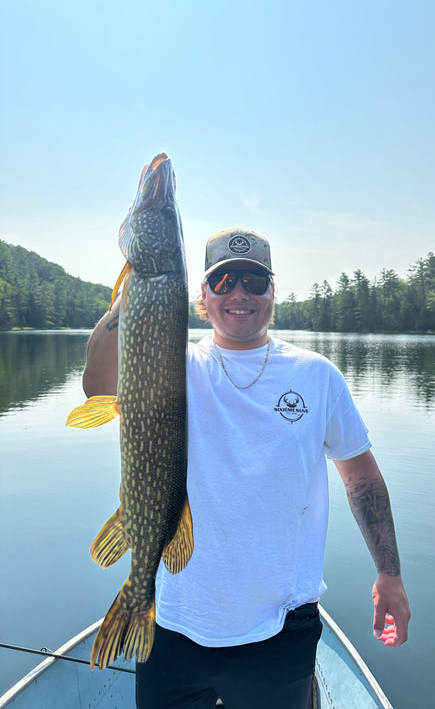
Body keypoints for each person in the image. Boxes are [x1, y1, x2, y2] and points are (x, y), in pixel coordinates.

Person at [82, 227, 411, 709]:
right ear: (203, 295)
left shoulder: (316, 375)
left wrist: (390, 574)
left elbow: (361, 478)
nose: (240, 293)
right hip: (174, 623)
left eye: (255, 281)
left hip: (280, 630)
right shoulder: (173, 365)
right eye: (224, 280)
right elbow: (97, 388)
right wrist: (134, 294)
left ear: (273, 292)